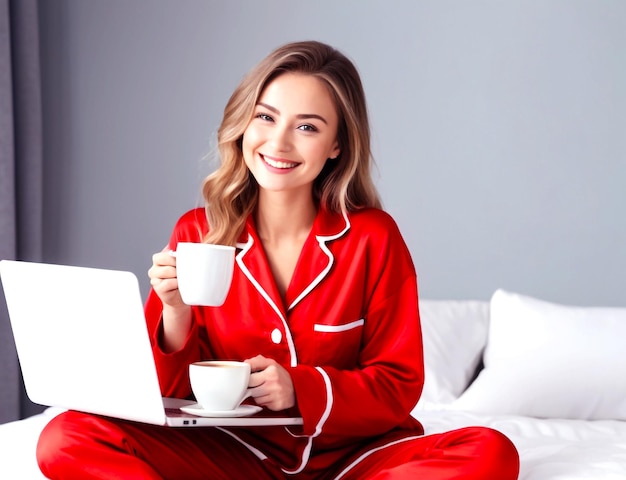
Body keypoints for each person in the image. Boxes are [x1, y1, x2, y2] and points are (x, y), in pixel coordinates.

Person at [37, 40, 519, 479]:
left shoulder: (373, 237)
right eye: (265, 117)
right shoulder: (197, 233)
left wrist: (300, 388)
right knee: (65, 437)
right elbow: (167, 398)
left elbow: (397, 385)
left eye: (307, 127)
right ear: (244, 122)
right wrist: (175, 312)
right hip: (231, 453)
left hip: (355, 460)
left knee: (491, 451)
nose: (279, 143)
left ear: (336, 146)